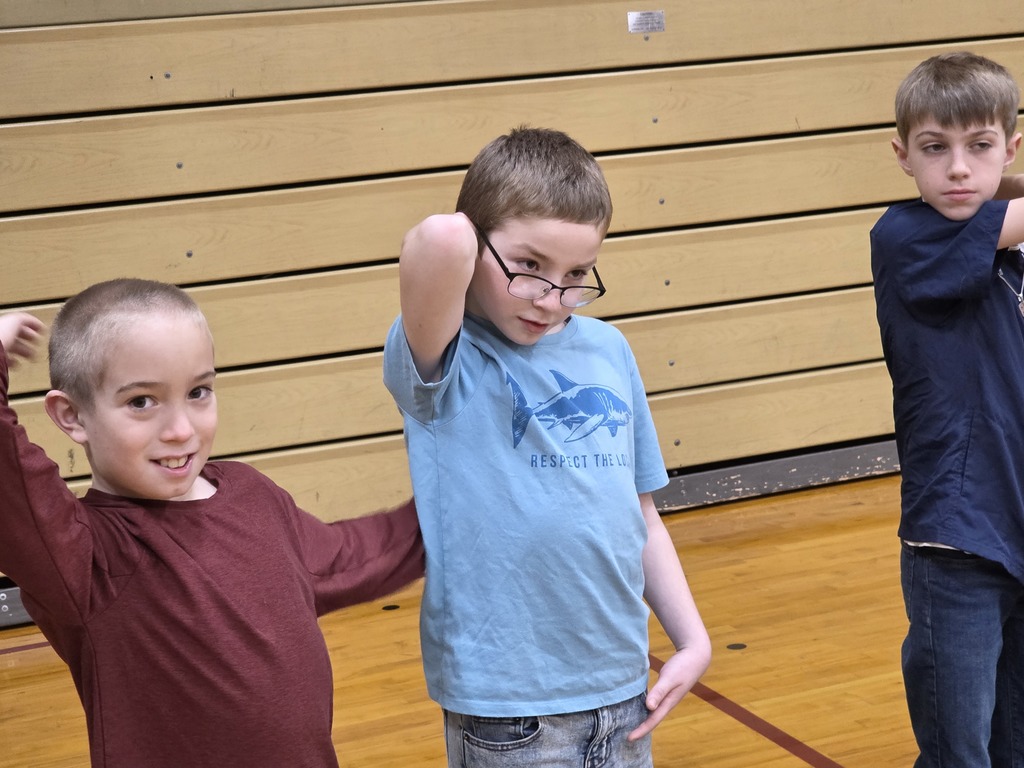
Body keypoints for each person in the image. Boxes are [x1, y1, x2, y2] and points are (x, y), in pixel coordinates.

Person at [383, 126, 711, 767]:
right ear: (478, 246)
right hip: (510, 711)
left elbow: (638, 514)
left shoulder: (608, 349)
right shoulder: (444, 359)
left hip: (621, 690)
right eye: (530, 267)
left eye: (576, 274)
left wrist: (692, 639)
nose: (552, 299)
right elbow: (439, 239)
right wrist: (471, 236)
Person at [0, 279, 425, 768]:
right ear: (72, 416)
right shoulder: (82, 556)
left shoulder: (250, 494)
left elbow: (348, 558)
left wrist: (451, 512)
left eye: (198, 392)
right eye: (142, 401)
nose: (181, 429)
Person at [871, 52, 1024, 767]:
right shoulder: (904, 237)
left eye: (980, 146)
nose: (958, 169)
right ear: (903, 156)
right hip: (957, 540)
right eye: (936, 149)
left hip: (1019, 525)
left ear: (1011, 148)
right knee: (958, 752)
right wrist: (1003, 179)